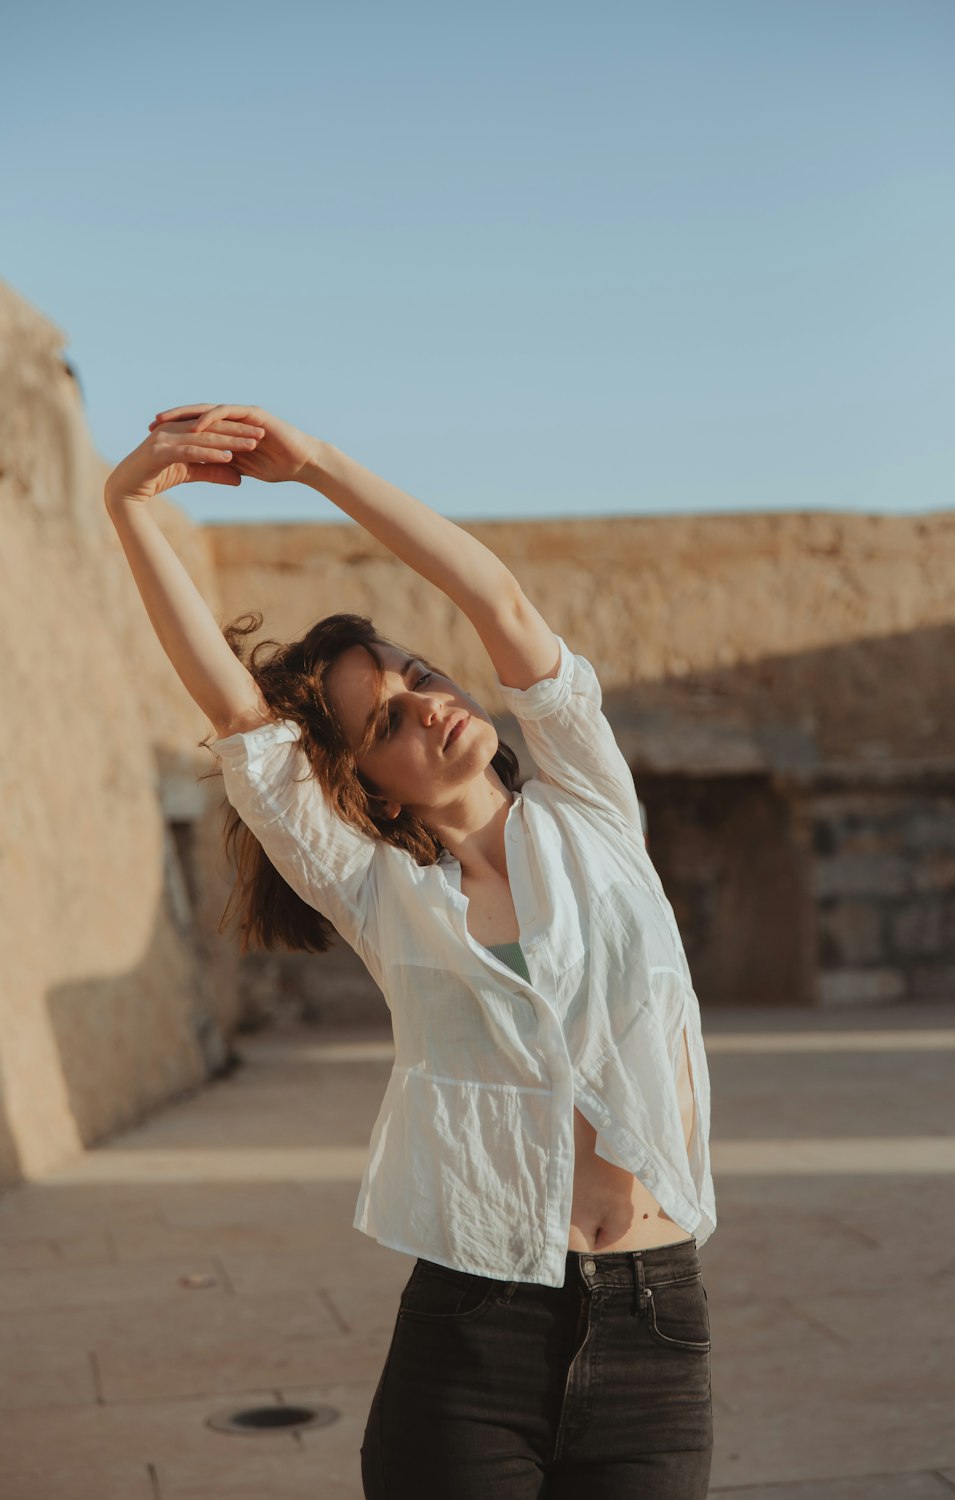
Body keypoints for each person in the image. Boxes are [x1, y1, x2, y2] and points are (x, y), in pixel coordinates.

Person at [105, 402, 718, 1499]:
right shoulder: (378, 890)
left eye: (418, 676)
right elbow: (235, 711)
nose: (427, 708)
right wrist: (128, 506)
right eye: (385, 721)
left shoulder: (591, 807)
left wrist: (321, 466)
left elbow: (498, 597)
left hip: (653, 1331)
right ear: (359, 786)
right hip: (473, 1333)